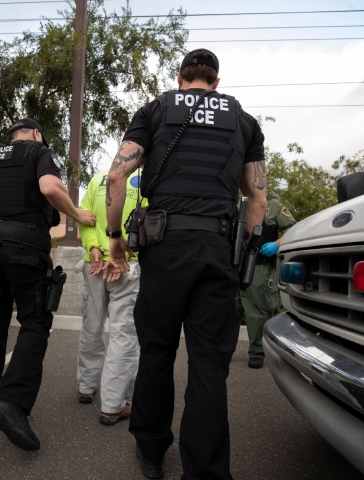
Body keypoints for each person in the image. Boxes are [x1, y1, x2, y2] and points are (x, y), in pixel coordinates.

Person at [103, 49, 268, 479]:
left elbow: (116, 176)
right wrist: (246, 253)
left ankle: (152, 452)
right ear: (215, 81)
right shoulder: (244, 121)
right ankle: (206, 471)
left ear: (180, 78)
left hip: (164, 247)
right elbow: (258, 198)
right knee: (209, 364)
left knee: (157, 351)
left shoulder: (156, 109)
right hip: (218, 251)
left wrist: (116, 237)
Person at [0, 118, 95, 451]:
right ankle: (11, 403)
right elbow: (50, 189)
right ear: (37, 133)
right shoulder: (39, 151)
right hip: (25, 250)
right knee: (35, 323)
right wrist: (78, 216)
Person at [76, 169, 146, 425]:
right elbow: (149, 224)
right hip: (126, 267)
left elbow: (85, 217)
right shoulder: (146, 182)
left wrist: (93, 247)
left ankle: (86, 386)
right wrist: (124, 254)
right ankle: (113, 405)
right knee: (123, 333)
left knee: (91, 326)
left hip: (93, 265)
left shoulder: (98, 179)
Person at [238, 197, 296, 369]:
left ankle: (257, 352)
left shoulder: (273, 206)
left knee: (257, 311)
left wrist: (277, 244)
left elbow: (293, 228)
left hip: (260, 266)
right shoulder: (239, 204)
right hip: (235, 265)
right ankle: (224, 351)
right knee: (230, 310)